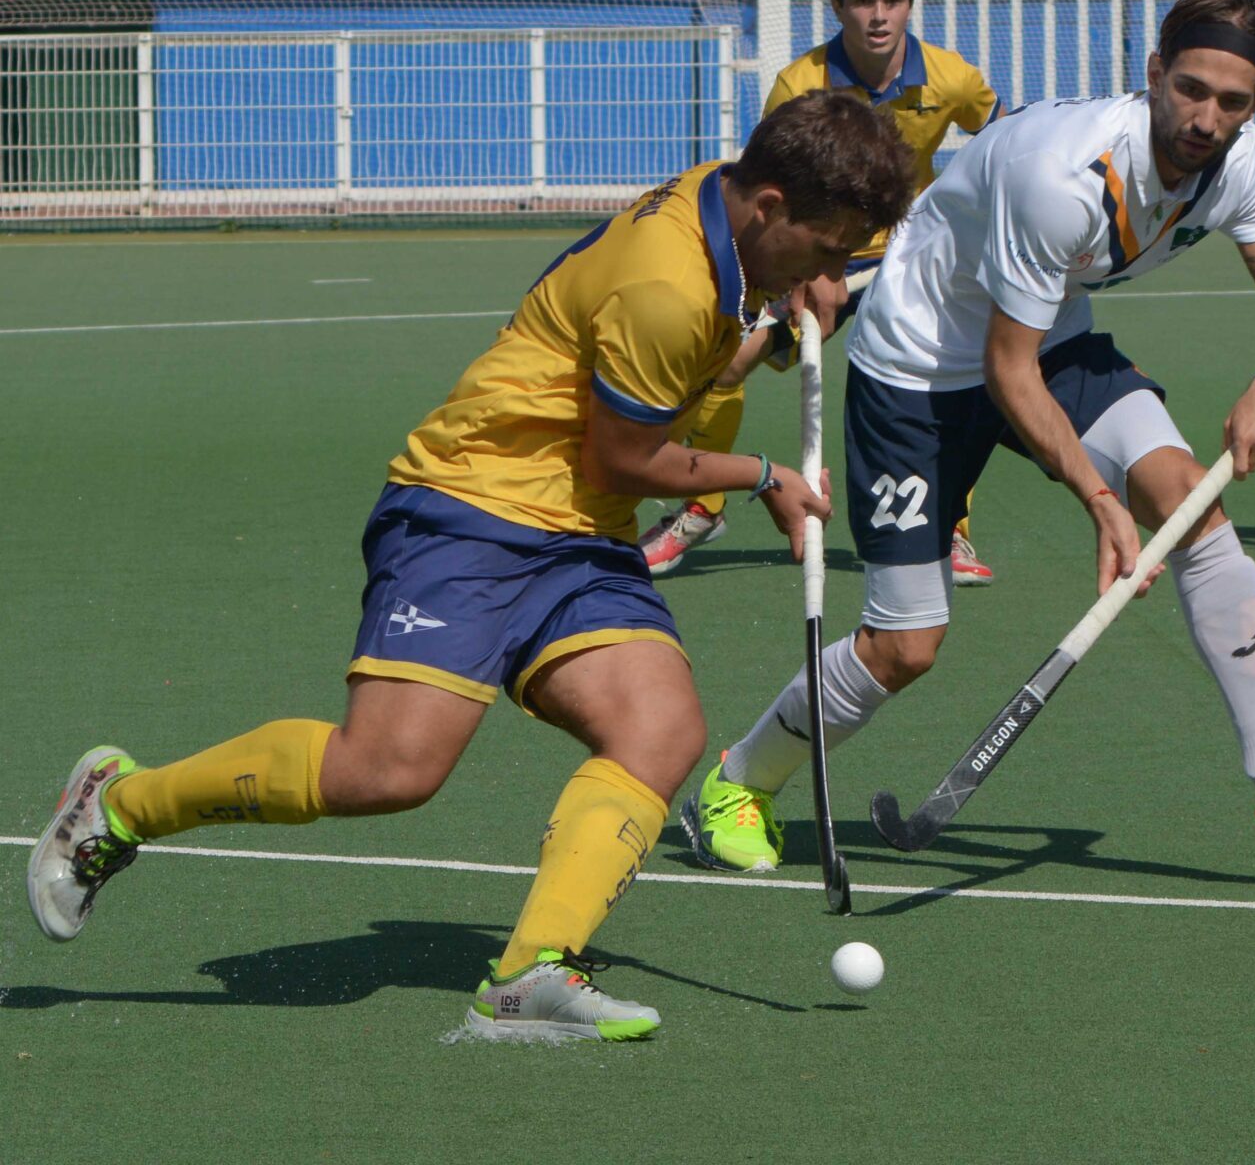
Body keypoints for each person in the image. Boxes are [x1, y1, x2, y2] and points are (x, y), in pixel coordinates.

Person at [26, 89, 917, 1041]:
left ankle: (531, 973)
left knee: (658, 730)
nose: (833, 275)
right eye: (829, 251)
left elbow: (708, 361)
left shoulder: (724, 201)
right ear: (771, 207)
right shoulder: (668, 285)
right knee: (389, 770)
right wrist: (765, 475)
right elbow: (624, 458)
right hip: (472, 506)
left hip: (580, 532)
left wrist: (785, 304)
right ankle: (119, 803)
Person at [682, 0, 1255, 873]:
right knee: (905, 646)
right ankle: (739, 781)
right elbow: (1007, 372)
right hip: (920, 368)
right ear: (1155, 72)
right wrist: (1098, 501)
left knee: (1192, 507)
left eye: (1231, 102)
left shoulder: (1237, 168)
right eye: (1190, 88)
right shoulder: (1066, 178)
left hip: (1049, 335)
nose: (1205, 117)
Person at [641, 0, 1003, 585]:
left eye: (892, 0)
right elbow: (769, 191)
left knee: (949, 375)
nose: (879, 16)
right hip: (816, 260)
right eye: (863, 0)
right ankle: (703, 507)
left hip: (912, 257)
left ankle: (947, 525)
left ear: (910, 3)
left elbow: (1005, 140)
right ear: (838, 6)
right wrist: (808, 274)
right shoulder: (799, 84)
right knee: (727, 363)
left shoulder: (952, 78)